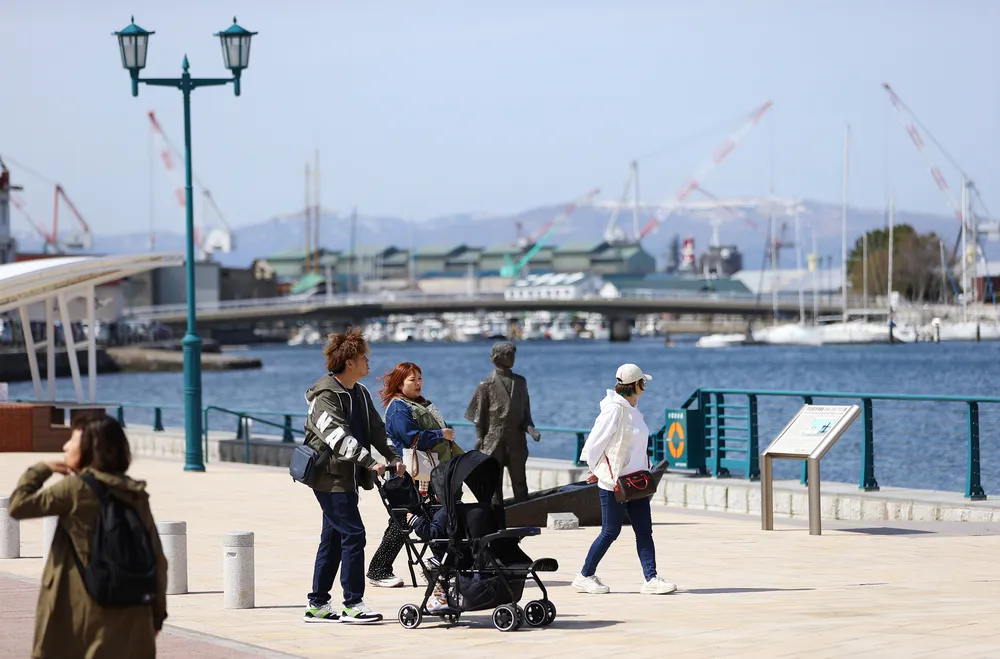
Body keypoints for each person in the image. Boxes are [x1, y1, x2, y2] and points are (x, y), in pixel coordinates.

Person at [7, 414, 168, 659]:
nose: (64, 447)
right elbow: (158, 559)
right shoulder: (134, 492)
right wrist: (156, 615)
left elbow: (18, 505)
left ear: (89, 449)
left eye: (71, 441)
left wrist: (43, 468)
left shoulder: (75, 489)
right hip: (134, 612)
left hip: (82, 617)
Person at [301, 328, 405, 624]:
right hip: (328, 477)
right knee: (354, 534)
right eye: (363, 358)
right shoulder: (324, 395)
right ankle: (353, 604)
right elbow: (337, 437)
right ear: (349, 363)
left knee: (333, 537)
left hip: (346, 477)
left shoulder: (358, 393)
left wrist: (393, 457)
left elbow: (376, 430)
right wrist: (370, 461)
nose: (368, 363)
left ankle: (318, 604)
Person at [572, 364, 677, 596]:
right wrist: (596, 468)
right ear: (635, 384)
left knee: (644, 530)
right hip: (614, 482)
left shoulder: (633, 409)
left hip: (637, 481)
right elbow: (593, 444)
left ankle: (651, 579)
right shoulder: (614, 410)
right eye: (643, 382)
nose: (645, 386)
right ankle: (584, 576)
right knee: (610, 532)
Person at [366, 362, 464, 588]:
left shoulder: (418, 404)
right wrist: (441, 434)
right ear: (400, 383)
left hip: (427, 473)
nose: (418, 383)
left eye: (420, 378)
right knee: (405, 520)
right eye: (412, 380)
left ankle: (438, 563)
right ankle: (380, 569)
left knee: (419, 519)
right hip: (410, 474)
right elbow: (412, 438)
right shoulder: (398, 407)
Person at [464, 342, 540, 503]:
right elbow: (479, 415)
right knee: (493, 484)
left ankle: (523, 514)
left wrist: (531, 430)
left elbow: (526, 412)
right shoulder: (485, 385)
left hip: (517, 441)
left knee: (520, 481)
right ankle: (495, 517)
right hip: (493, 441)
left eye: (513, 354)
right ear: (498, 357)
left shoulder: (521, 382)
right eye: (509, 354)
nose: (513, 358)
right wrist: (479, 437)